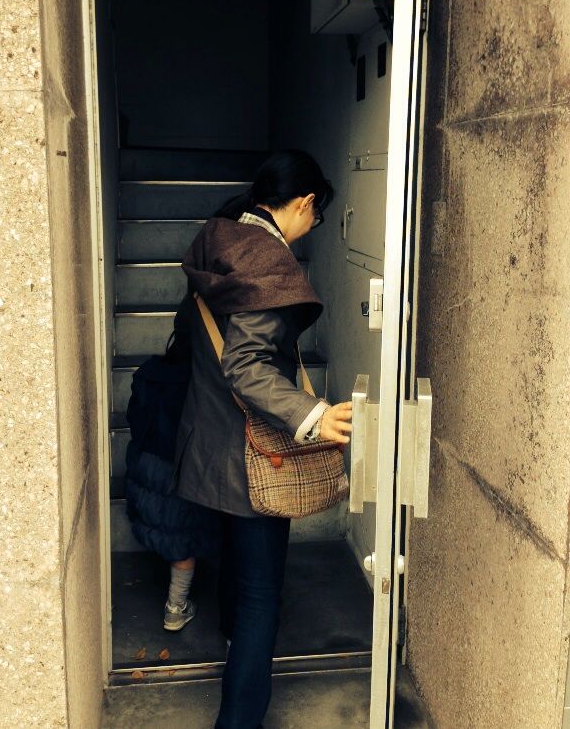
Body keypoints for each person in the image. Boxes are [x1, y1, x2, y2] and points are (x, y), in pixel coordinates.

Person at [173, 149, 353, 728]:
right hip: (255, 456)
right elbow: (247, 365)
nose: (311, 227)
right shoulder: (267, 263)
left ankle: (231, 642)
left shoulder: (220, 239)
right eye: (315, 216)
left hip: (210, 443)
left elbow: (200, 339)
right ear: (305, 203)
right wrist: (312, 414)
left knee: (236, 569)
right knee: (260, 598)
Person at [125, 307, 220, 631]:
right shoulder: (202, 381)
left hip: (147, 470)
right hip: (181, 474)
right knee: (182, 542)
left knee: (174, 535)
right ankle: (175, 608)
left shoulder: (149, 373)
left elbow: (135, 419)